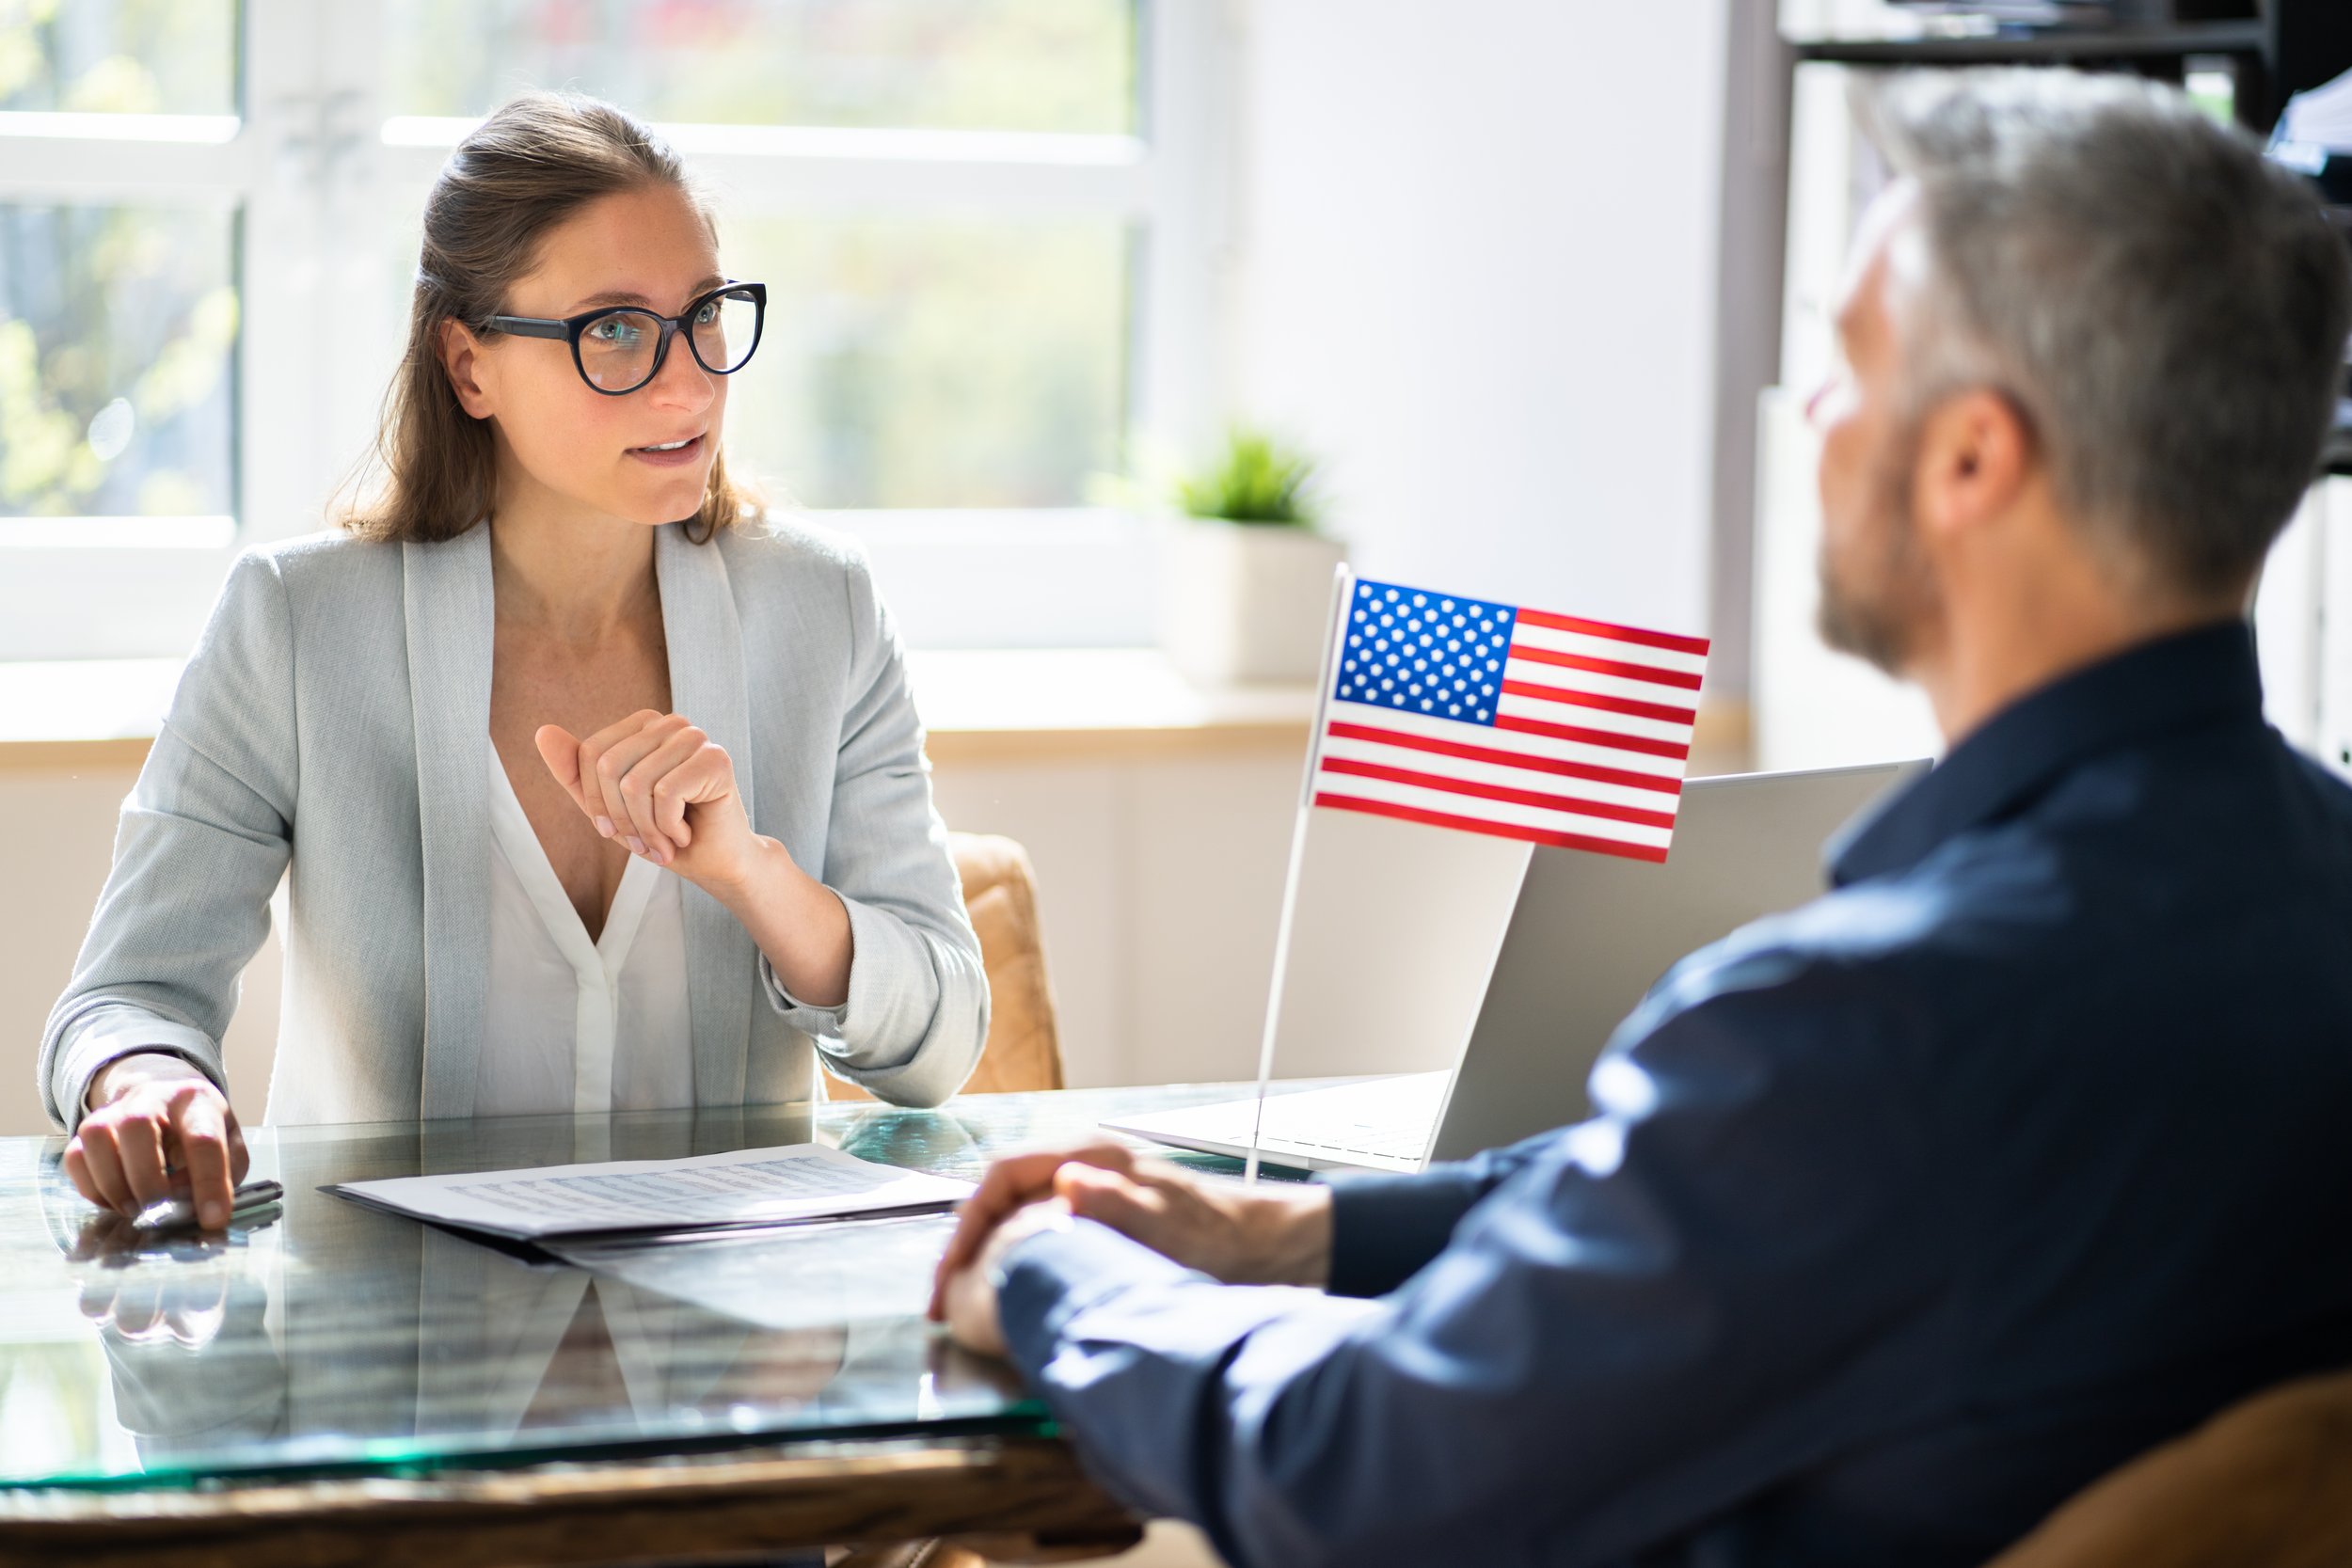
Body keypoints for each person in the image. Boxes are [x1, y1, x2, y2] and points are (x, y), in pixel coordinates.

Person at [929, 70, 2352, 1568]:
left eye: (1850, 365)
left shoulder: (1869, 1025)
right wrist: (1295, 1232)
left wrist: (1052, 1272)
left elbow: (1354, 1467)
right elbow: (1750, 1189)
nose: (1814, 416)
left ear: (1971, 460)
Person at [43, 94, 988, 1228]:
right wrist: (147, 1084)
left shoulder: (822, 606)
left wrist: (756, 876)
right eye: (615, 329)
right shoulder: (295, 623)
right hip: (394, 1317)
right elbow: (127, 995)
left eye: (704, 315)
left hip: (732, 1323)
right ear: (469, 366)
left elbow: (943, 1042)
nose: (689, 384)